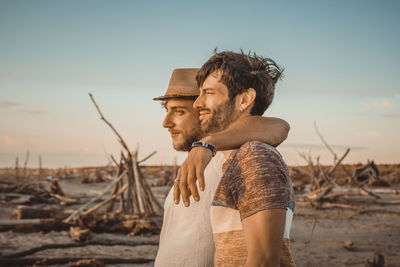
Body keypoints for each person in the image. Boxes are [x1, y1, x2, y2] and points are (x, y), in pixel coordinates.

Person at [153, 68, 290, 267]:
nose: (166, 123)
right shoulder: (196, 162)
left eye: (179, 112)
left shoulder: (235, 155)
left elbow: (279, 126)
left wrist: (207, 144)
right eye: (167, 111)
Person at [190, 51, 296, 266]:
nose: (197, 103)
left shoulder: (254, 156)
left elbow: (263, 262)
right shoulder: (239, 157)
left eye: (209, 93)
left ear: (245, 99)